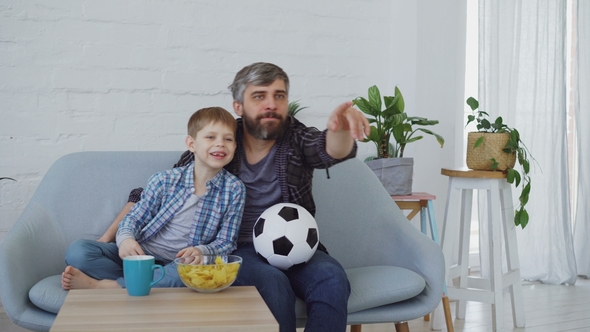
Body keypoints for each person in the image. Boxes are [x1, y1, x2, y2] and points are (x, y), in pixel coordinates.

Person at [100, 62, 370, 332]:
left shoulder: (297, 138)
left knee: (332, 279)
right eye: (259, 96)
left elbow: (328, 149)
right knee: (272, 283)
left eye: (279, 95)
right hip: (237, 249)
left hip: (298, 245)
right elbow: (159, 191)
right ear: (239, 107)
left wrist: (341, 130)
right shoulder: (221, 142)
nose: (271, 104)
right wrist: (110, 237)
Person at [61, 106, 246, 290]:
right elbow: (134, 218)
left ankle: (109, 287)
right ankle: (141, 282)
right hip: (142, 254)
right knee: (78, 251)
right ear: (191, 144)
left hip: (180, 264)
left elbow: (227, 241)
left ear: (235, 146)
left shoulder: (234, 190)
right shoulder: (164, 180)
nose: (221, 143)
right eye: (211, 137)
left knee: (190, 274)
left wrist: (202, 251)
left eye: (228, 139)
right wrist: (126, 239)